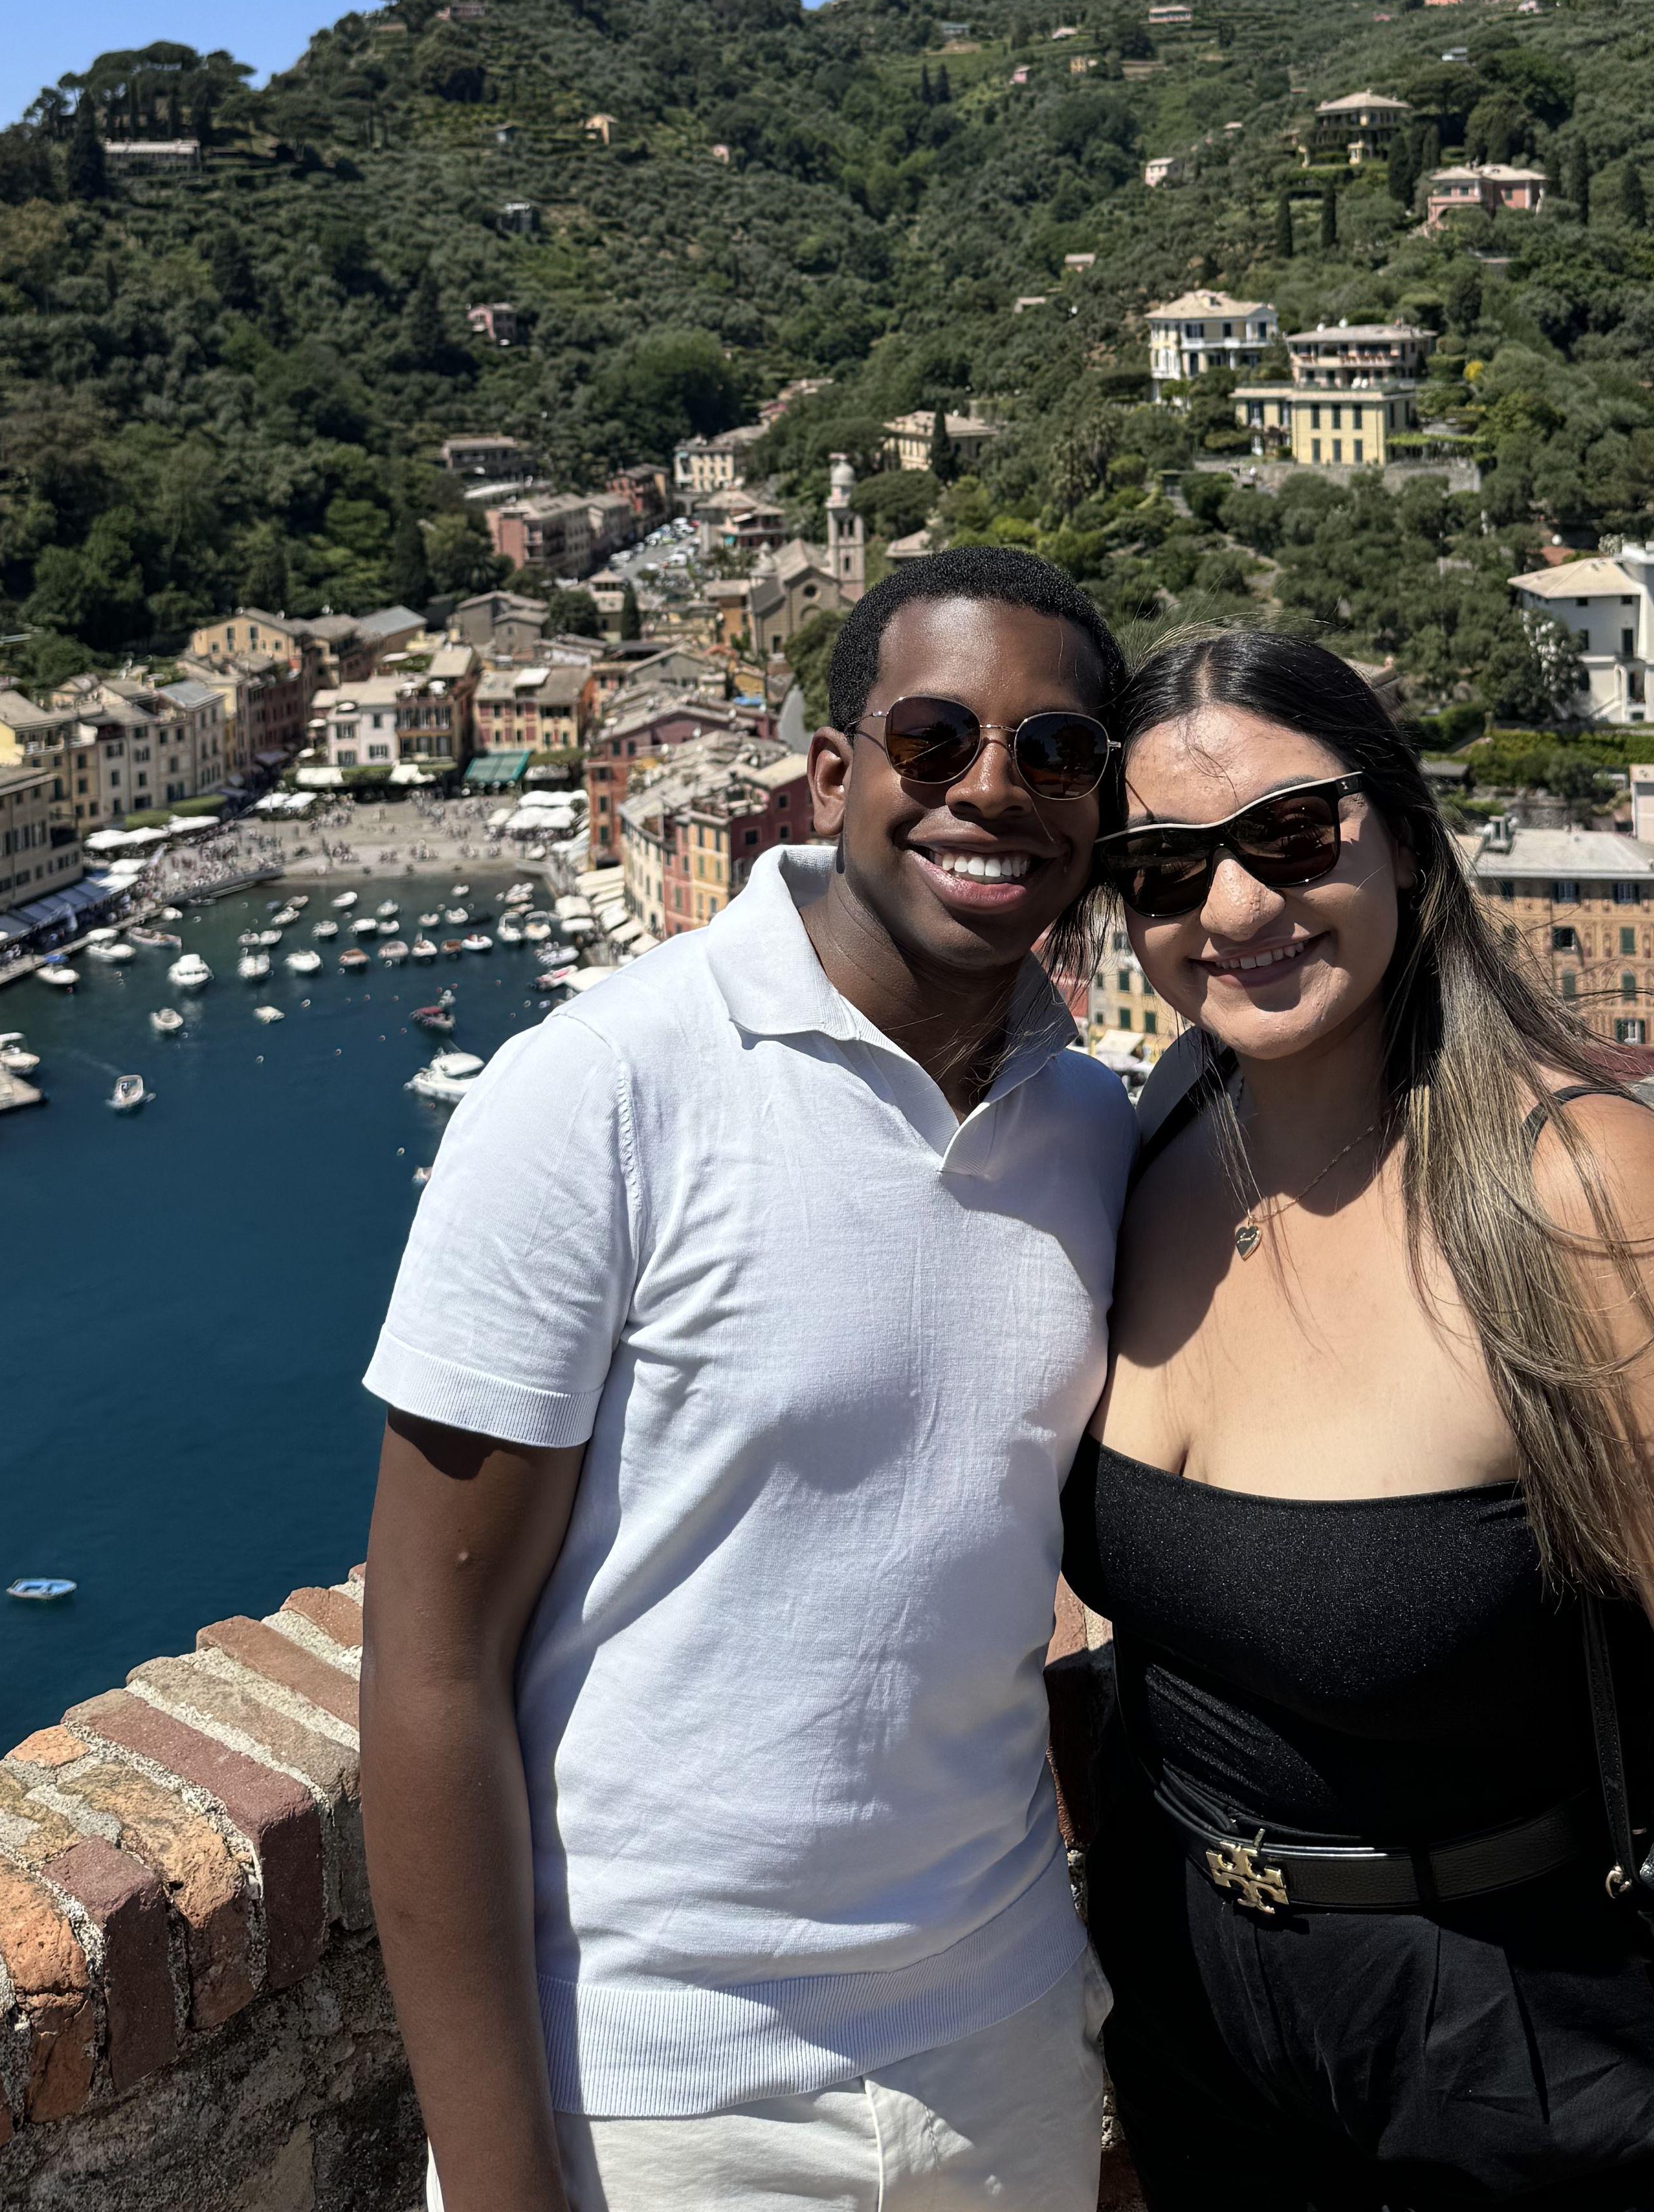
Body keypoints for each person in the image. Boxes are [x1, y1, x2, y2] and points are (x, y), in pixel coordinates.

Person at [358, 547, 1140, 2212]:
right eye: (935, 739)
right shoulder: (596, 1091)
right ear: (834, 776)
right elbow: (429, 1670)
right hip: (658, 2096)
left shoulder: (1093, 1128)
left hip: (1008, 2054)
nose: (993, 790)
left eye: (1056, 752)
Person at [1062, 631, 1654, 2212]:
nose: (1235, 907)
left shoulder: (1586, 1196)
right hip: (1183, 2007)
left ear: (1407, 840)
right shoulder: (1162, 1127)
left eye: (1293, 834)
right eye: (1163, 868)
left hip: (1505, 2042)